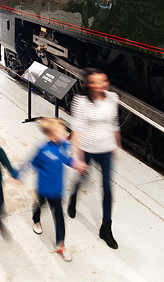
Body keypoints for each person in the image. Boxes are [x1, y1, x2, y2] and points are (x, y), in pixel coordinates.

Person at [67, 68, 121, 249]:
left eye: (103, 81)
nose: (101, 85)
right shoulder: (81, 101)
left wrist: (117, 145)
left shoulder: (112, 98)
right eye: (96, 82)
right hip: (87, 149)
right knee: (82, 179)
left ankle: (106, 227)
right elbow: (76, 129)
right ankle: (73, 196)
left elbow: (113, 124)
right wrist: (78, 158)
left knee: (107, 188)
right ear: (89, 84)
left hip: (106, 149)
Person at [30, 117, 87, 262]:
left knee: (59, 218)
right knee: (39, 205)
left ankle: (60, 245)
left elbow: (67, 159)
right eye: (61, 132)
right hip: (43, 188)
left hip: (57, 191)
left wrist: (77, 165)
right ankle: (36, 220)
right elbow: (33, 163)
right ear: (50, 136)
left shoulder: (63, 145)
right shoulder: (43, 149)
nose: (64, 134)